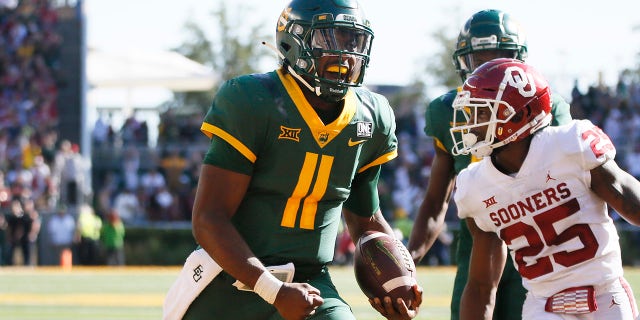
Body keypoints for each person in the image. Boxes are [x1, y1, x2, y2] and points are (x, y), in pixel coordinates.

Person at [163, 0, 422, 319]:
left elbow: (366, 221)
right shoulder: (253, 99)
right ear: (293, 42)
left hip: (310, 281)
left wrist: (397, 281)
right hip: (230, 278)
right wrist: (272, 289)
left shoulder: (371, 117)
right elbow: (208, 218)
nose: (346, 53)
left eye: (352, 41)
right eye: (331, 39)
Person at [406, 9, 572, 320]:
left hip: (538, 248)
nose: (488, 67)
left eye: (499, 56)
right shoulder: (446, 111)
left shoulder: (547, 105)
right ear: (463, 61)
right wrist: (409, 261)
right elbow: (435, 200)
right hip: (478, 245)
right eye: (479, 58)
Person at [452, 58, 640, 319]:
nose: (472, 123)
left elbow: (631, 202)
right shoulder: (474, 186)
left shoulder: (570, 145)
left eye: (482, 112)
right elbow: (482, 286)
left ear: (520, 114)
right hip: (545, 305)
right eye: (472, 113)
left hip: (605, 294)